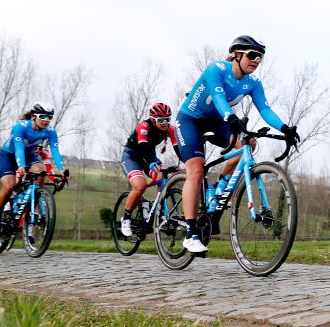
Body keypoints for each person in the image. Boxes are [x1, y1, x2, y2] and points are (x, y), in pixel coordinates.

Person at [176, 35, 300, 256]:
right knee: (195, 169)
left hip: (219, 121)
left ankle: (219, 189)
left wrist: (285, 128)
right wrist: (230, 117)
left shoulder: (253, 83)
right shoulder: (217, 69)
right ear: (237, 55)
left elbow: (265, 110)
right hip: (191, 120)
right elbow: (218, 96)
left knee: (247, 145)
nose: (256, 61)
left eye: (260, 58)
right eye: (252, 55)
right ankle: (190, 233)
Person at [0, 102, 67, 235]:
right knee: (9, 186)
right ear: (34, 116)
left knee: (42, 171)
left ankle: (37, 196)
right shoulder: (20, 127)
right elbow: (19, 148)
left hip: (29, 156)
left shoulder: (50, 131)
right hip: (9, 155)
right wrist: (21, 166)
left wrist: (61, 169)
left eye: (49, 117)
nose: (46, 120)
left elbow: (55, 149)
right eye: (42, 116)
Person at [119, 102, 182, 237]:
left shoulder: (170, 130)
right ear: (153, 119)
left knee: (162, 177)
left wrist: (188, 163)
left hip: (149, 157)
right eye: (161, 120)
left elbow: (179, 149)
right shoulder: (144, 126)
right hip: (132, 157)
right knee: (140, 186)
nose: (165, 122)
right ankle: (126, 218)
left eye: (168, 119)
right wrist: (152, 162)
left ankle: (157, 211)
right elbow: (143, 147)